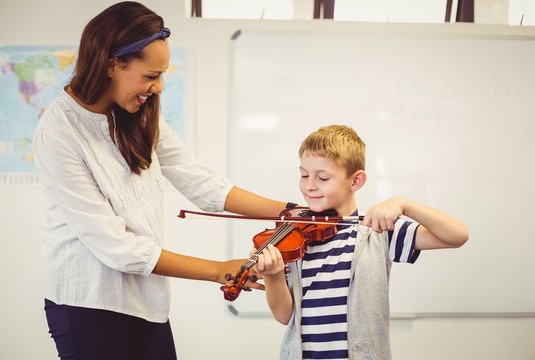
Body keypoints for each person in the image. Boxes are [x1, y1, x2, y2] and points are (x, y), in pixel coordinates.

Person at [32, 2, 288, 359]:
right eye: (151, 75)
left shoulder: (139, 113)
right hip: (88, 304)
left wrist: (293, 211)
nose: (159, 87)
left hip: (146, 301)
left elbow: (203, 182)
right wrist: (217, 270)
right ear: (112, 65)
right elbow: (116, 246)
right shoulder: (58, 132)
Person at [254, 125, 469, 360]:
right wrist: (273, 276)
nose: (309, 185)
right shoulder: (295, 240)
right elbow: (284, 315)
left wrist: (404, 204)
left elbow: (456, 235)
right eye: (304, 175)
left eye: (322, 177)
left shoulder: (376, 229)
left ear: (355, 181)